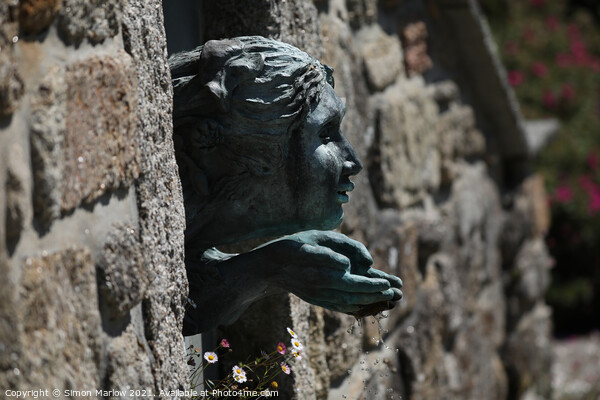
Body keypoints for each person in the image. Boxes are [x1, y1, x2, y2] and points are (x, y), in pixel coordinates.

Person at [170, 36, 403, 335]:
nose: (354, 162)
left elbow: (182, 303)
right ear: (258, 149)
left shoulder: (184, 228)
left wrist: (274, 266)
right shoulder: (140, 221)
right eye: (327, 134)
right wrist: (273, 267)